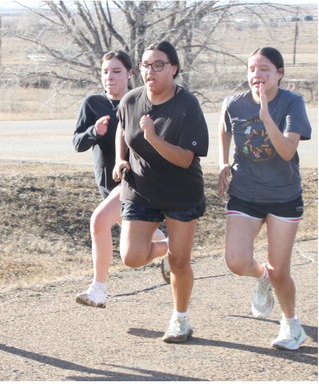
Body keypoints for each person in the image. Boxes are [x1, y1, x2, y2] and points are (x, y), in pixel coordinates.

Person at [113, 41, 209, 343]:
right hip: (141, 189)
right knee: (131, 257)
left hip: (181, 192)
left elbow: (185, 159)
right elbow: (122, 127)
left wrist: (152, 137)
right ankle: (170, 248)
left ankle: (180, 320)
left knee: (181, 262)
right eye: (145, 65)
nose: (149, 71)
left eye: (158, 65)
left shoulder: (187, 105)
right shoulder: (130, 99)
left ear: (173, 69)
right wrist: (121, 158)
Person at [218, 47, 311, 351]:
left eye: (265, 70)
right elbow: (224, 127)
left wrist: (265, 115)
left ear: (279, 74)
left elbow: (287, 151)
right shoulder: (234, 103)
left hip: (283, 196)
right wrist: (222, 162)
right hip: (245, 193)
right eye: (252, 70)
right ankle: (261, 278)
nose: (256, 76)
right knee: (236, 261)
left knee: (280, 269)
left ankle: (292, 326)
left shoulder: (292, 103)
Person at [73, 51, 166, 308]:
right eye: (105, 72)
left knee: (99, 222)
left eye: (116, 71)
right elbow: (78, 143)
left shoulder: (141, 102)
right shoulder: (92, 104)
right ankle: (173, 247)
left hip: (134, 180)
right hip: (107, 184)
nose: (110, 77)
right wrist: (94, 131)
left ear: (130, 74)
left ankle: (98, 289)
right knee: (135, 237)